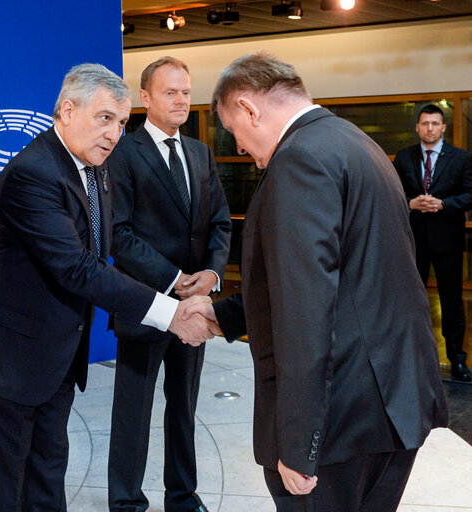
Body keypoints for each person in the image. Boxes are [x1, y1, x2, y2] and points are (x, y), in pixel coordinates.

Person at [184, 52, 449, 511]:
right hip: (393, 403)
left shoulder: (298, 161)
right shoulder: (353, 142)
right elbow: (344, 274)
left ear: (249, 108)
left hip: (340, 421)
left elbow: (306, 310)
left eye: (234, 132)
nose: (241, 148)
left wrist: (300, 445)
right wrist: (223, 314)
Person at [0, 63, 217, 512]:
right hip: (8, 364)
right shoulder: (33, 173)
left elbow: (100, 255)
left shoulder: (94, 169)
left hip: (55, 361)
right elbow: (77, 268)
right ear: (66, 110)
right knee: (5, 494)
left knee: (46, 482)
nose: (114, 133)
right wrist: (172, 313)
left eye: (120, 122)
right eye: (103, 119)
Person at [106, 56, 231, 512]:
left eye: (185, 91)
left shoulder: (199, 152)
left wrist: (212, 275)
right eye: (169, 92)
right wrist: (173, 278)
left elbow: (220, 223)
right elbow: (117, 233)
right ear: (145, 98)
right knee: (133, 414)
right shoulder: (121, 151)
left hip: (196, 305)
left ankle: (183, 496)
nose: (180, 100)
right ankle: (126, 502)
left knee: (183, 409)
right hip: (144, 302)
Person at [393, 104, 472, 382]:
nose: (429, 128)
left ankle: (457, 360)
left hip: (447, 241)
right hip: (413, 240)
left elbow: (470, 194)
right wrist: (411, 203)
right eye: (424, 123)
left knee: (452, 303)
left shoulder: (461, 158)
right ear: (417, 127)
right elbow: (392, 193)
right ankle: (409, 357)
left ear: (443, 128)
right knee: (409, 300)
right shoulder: (403, 158)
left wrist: (444, 204)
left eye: (434, 124)